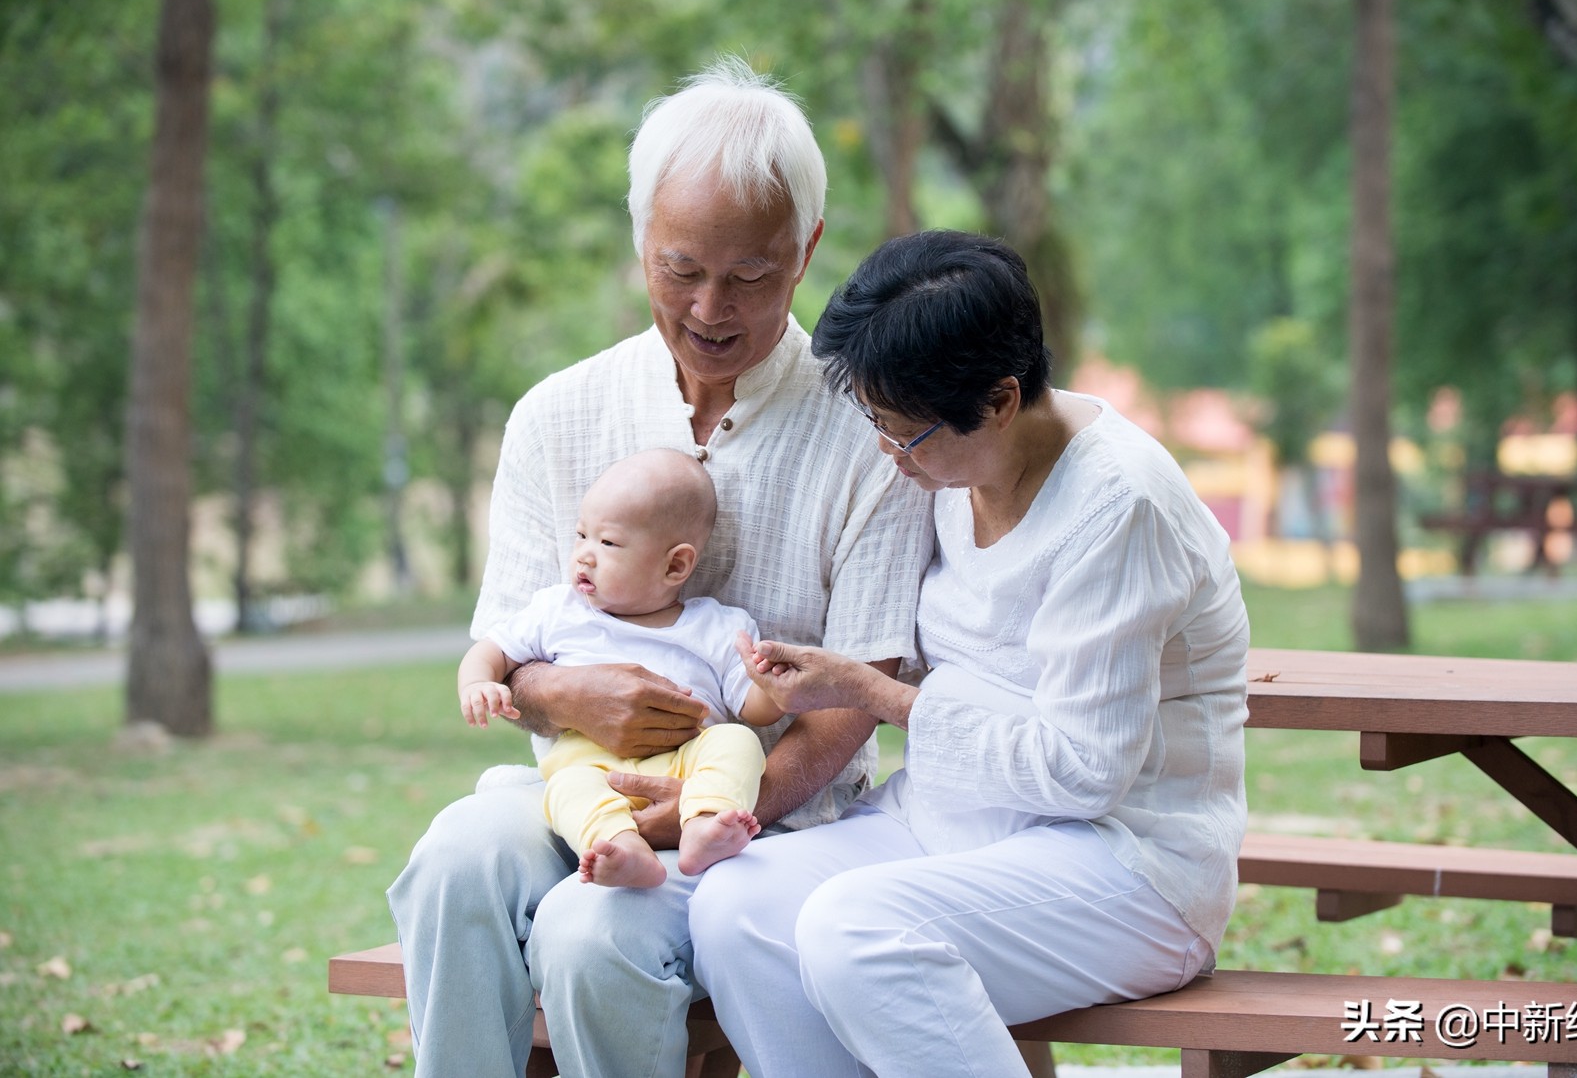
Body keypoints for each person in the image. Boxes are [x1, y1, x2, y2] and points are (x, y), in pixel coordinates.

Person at [387, 58, 933, 1078]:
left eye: (751, 275)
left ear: (807, 249)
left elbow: (851, 704)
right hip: (572, 786)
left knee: (591, 934)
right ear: (641, 240)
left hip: (764, 821)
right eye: (681, 269)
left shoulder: (870, 434)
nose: (711, 308)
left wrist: (708, 808)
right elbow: (506, 646)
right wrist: (565, 692)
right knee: (451, 861)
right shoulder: (557, 413)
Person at [690, 229, 1251, 1078]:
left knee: (856, 930)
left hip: (1125, 862)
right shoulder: (952, 472)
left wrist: (876, 695)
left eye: (905, 435)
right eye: (876, 425)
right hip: (953, 826)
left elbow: (1084, 773)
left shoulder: (1118, 508)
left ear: (999, 400)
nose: (889, 456)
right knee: (736, 905)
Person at [458, 448, 784, 889]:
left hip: (685, 766)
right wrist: (478, 682)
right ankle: (620, 847)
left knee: (738, 742)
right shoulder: (558, 611)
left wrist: (773, 684)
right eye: (581, 535)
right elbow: (491, 650)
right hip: (592, 766)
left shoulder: (717, 627)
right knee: (567, 787)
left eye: (607, 543)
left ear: (675, 565)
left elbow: (755, 711)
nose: (584, 555)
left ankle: (705, 822)